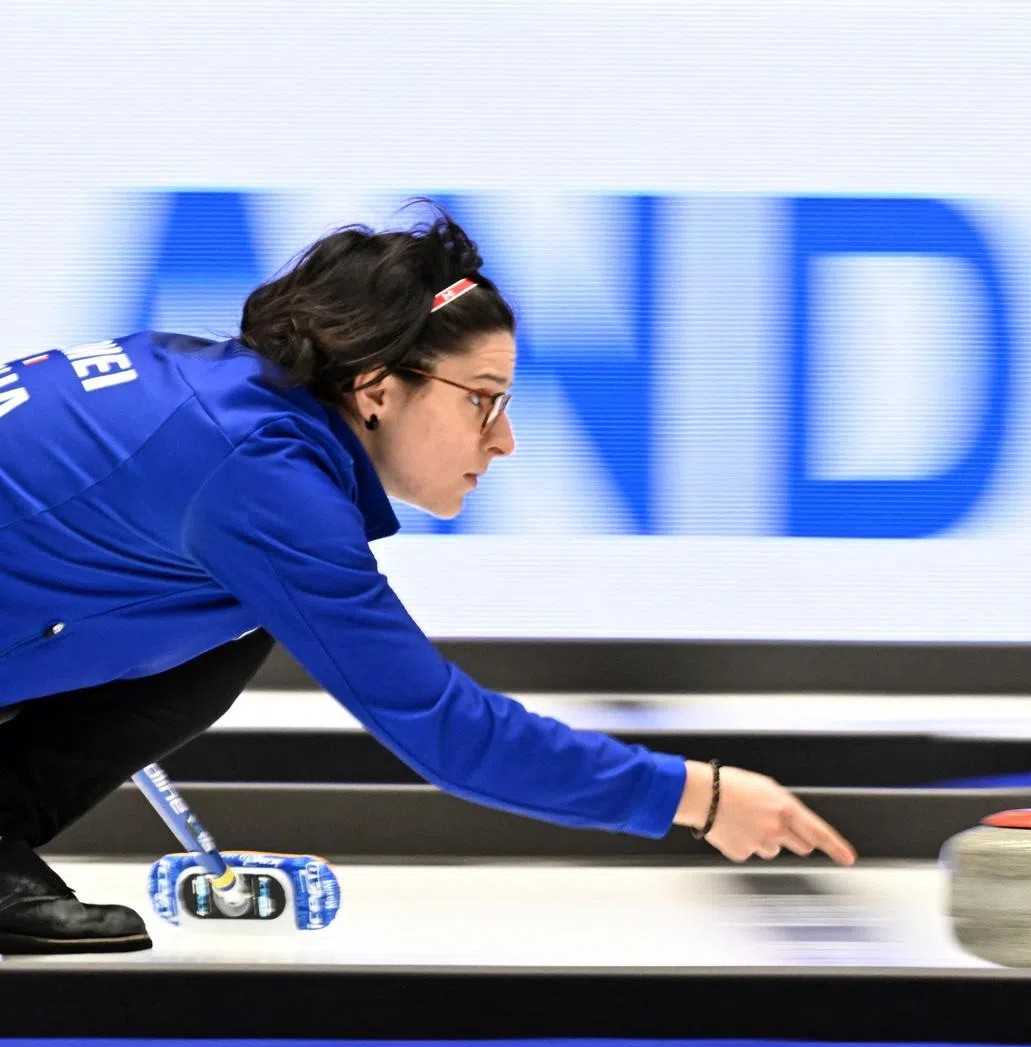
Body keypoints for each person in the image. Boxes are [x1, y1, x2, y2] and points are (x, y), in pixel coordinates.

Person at [0, 202, 856, 955]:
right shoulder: (258, 473)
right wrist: (692, 796)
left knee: (232, 619)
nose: (504, 439)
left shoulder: (224, 406)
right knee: (234, 615)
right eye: (482, 398)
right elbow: (445, 731)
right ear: (376, 388)